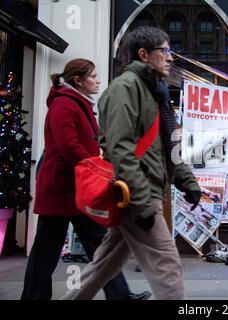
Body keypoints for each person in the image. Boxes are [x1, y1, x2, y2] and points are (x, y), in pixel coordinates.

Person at [62, 26, 201, 300]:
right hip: (138, 195)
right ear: (144, 54)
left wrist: (187, 181)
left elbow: (167, 147)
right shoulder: (125, 88)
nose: (171, 58)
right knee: (167, 266)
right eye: (165, 50)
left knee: (103, 266)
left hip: (142, 193)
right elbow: (120, 148)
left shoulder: (155, 92)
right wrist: (142, 203)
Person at [21, 59, 151, 301]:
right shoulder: (64, 105)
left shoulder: (78, 104)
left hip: (77, 188)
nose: (98, 80)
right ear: (78, 80)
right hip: (61, 190)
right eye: (93, 76)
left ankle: (120, 295)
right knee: (45, 252)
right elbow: (69, 146)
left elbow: (85, 143)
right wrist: (97, 170)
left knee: (99, 245)